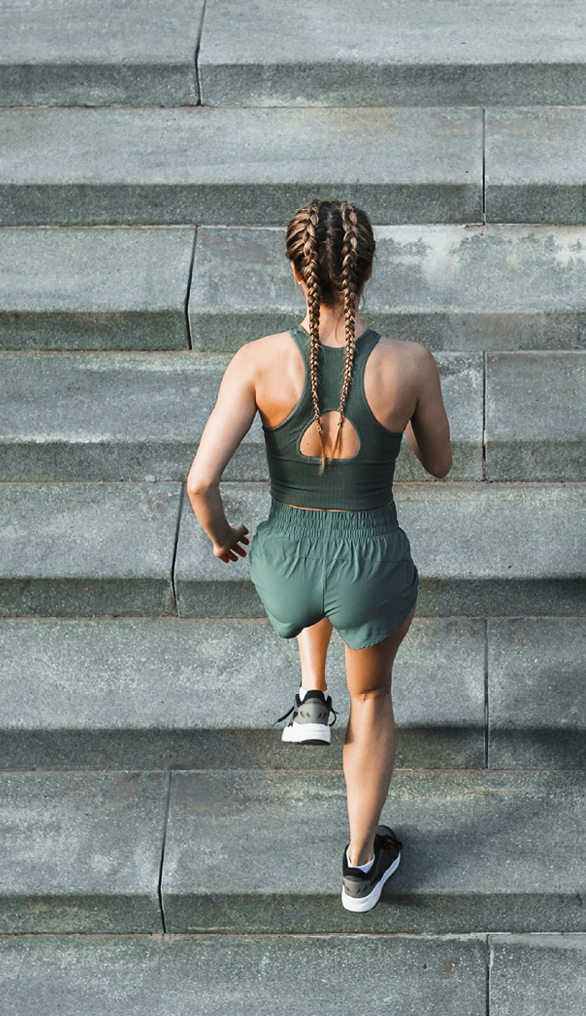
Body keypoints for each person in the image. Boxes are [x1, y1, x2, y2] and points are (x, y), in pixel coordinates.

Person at [185, 198, 453, 909]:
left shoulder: (257, 360)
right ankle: (361, 865)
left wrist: (222, 538)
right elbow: (439, 463)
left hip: (284, 563)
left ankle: (311, 695)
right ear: (367, 271)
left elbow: (200, 482)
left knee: (315, 564)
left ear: (295, 270)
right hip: (369, 565)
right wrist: (401, 415)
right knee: (372, 698)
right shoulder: (409, 363)